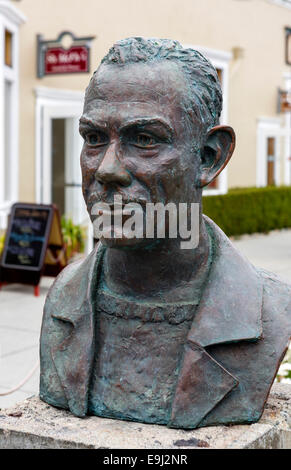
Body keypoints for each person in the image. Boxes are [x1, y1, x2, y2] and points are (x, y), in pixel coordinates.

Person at [40, 37, 291, 429]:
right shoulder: (64, 297)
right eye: (93, 138)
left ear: (208, 158)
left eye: (144, 140)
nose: (107, 169)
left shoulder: (270, 310)